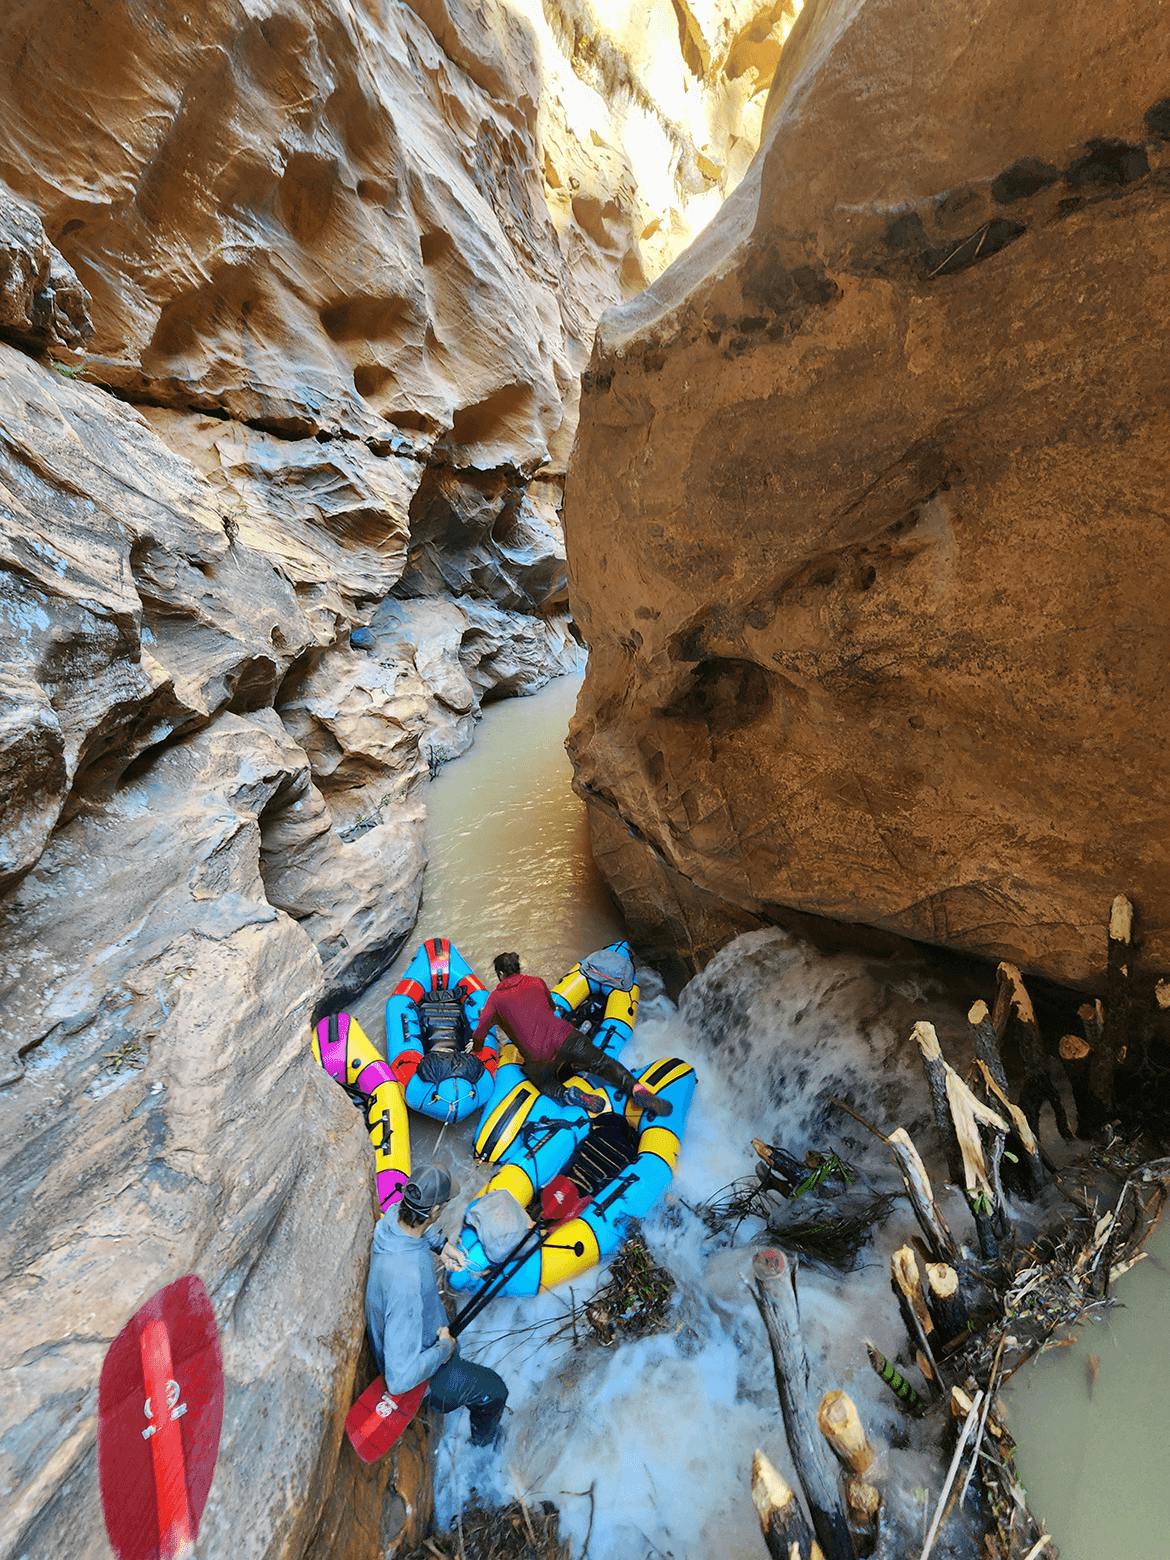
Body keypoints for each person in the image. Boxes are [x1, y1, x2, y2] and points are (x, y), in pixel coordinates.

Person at [365, 1164, 508, 1447]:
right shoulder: (406, 1284)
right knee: (495, 1392)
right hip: (428, 1379)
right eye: (443, 1205)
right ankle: (484, 1445)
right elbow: (398, 1378)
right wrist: (444, 1349)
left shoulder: (391, 1222)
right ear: (431, 1213)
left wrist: (441, 1246)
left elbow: (409, 1227)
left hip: (416, 1332)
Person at [469, 952, 672, 1118]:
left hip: (538, 1056)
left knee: (545, 1082)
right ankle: (636, 1088)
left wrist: (478, 1049)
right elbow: (550, 1007)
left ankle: (567, 1094)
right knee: (602, 1062)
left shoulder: (495, 999)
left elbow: (480, 1032)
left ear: (501, 974)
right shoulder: (536, 982)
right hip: (565, 1038)